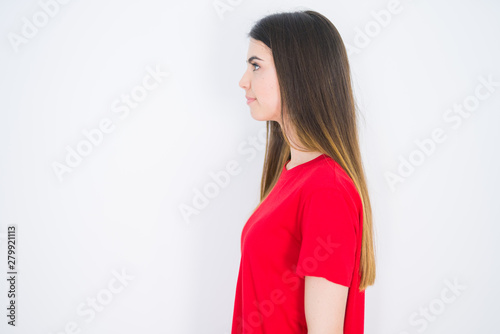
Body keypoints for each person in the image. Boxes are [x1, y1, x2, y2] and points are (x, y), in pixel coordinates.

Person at [232, 9, 377, 334]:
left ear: (296, 73)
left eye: (256, 66)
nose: (243, 81)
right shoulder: (291, 173)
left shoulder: (327, 189)